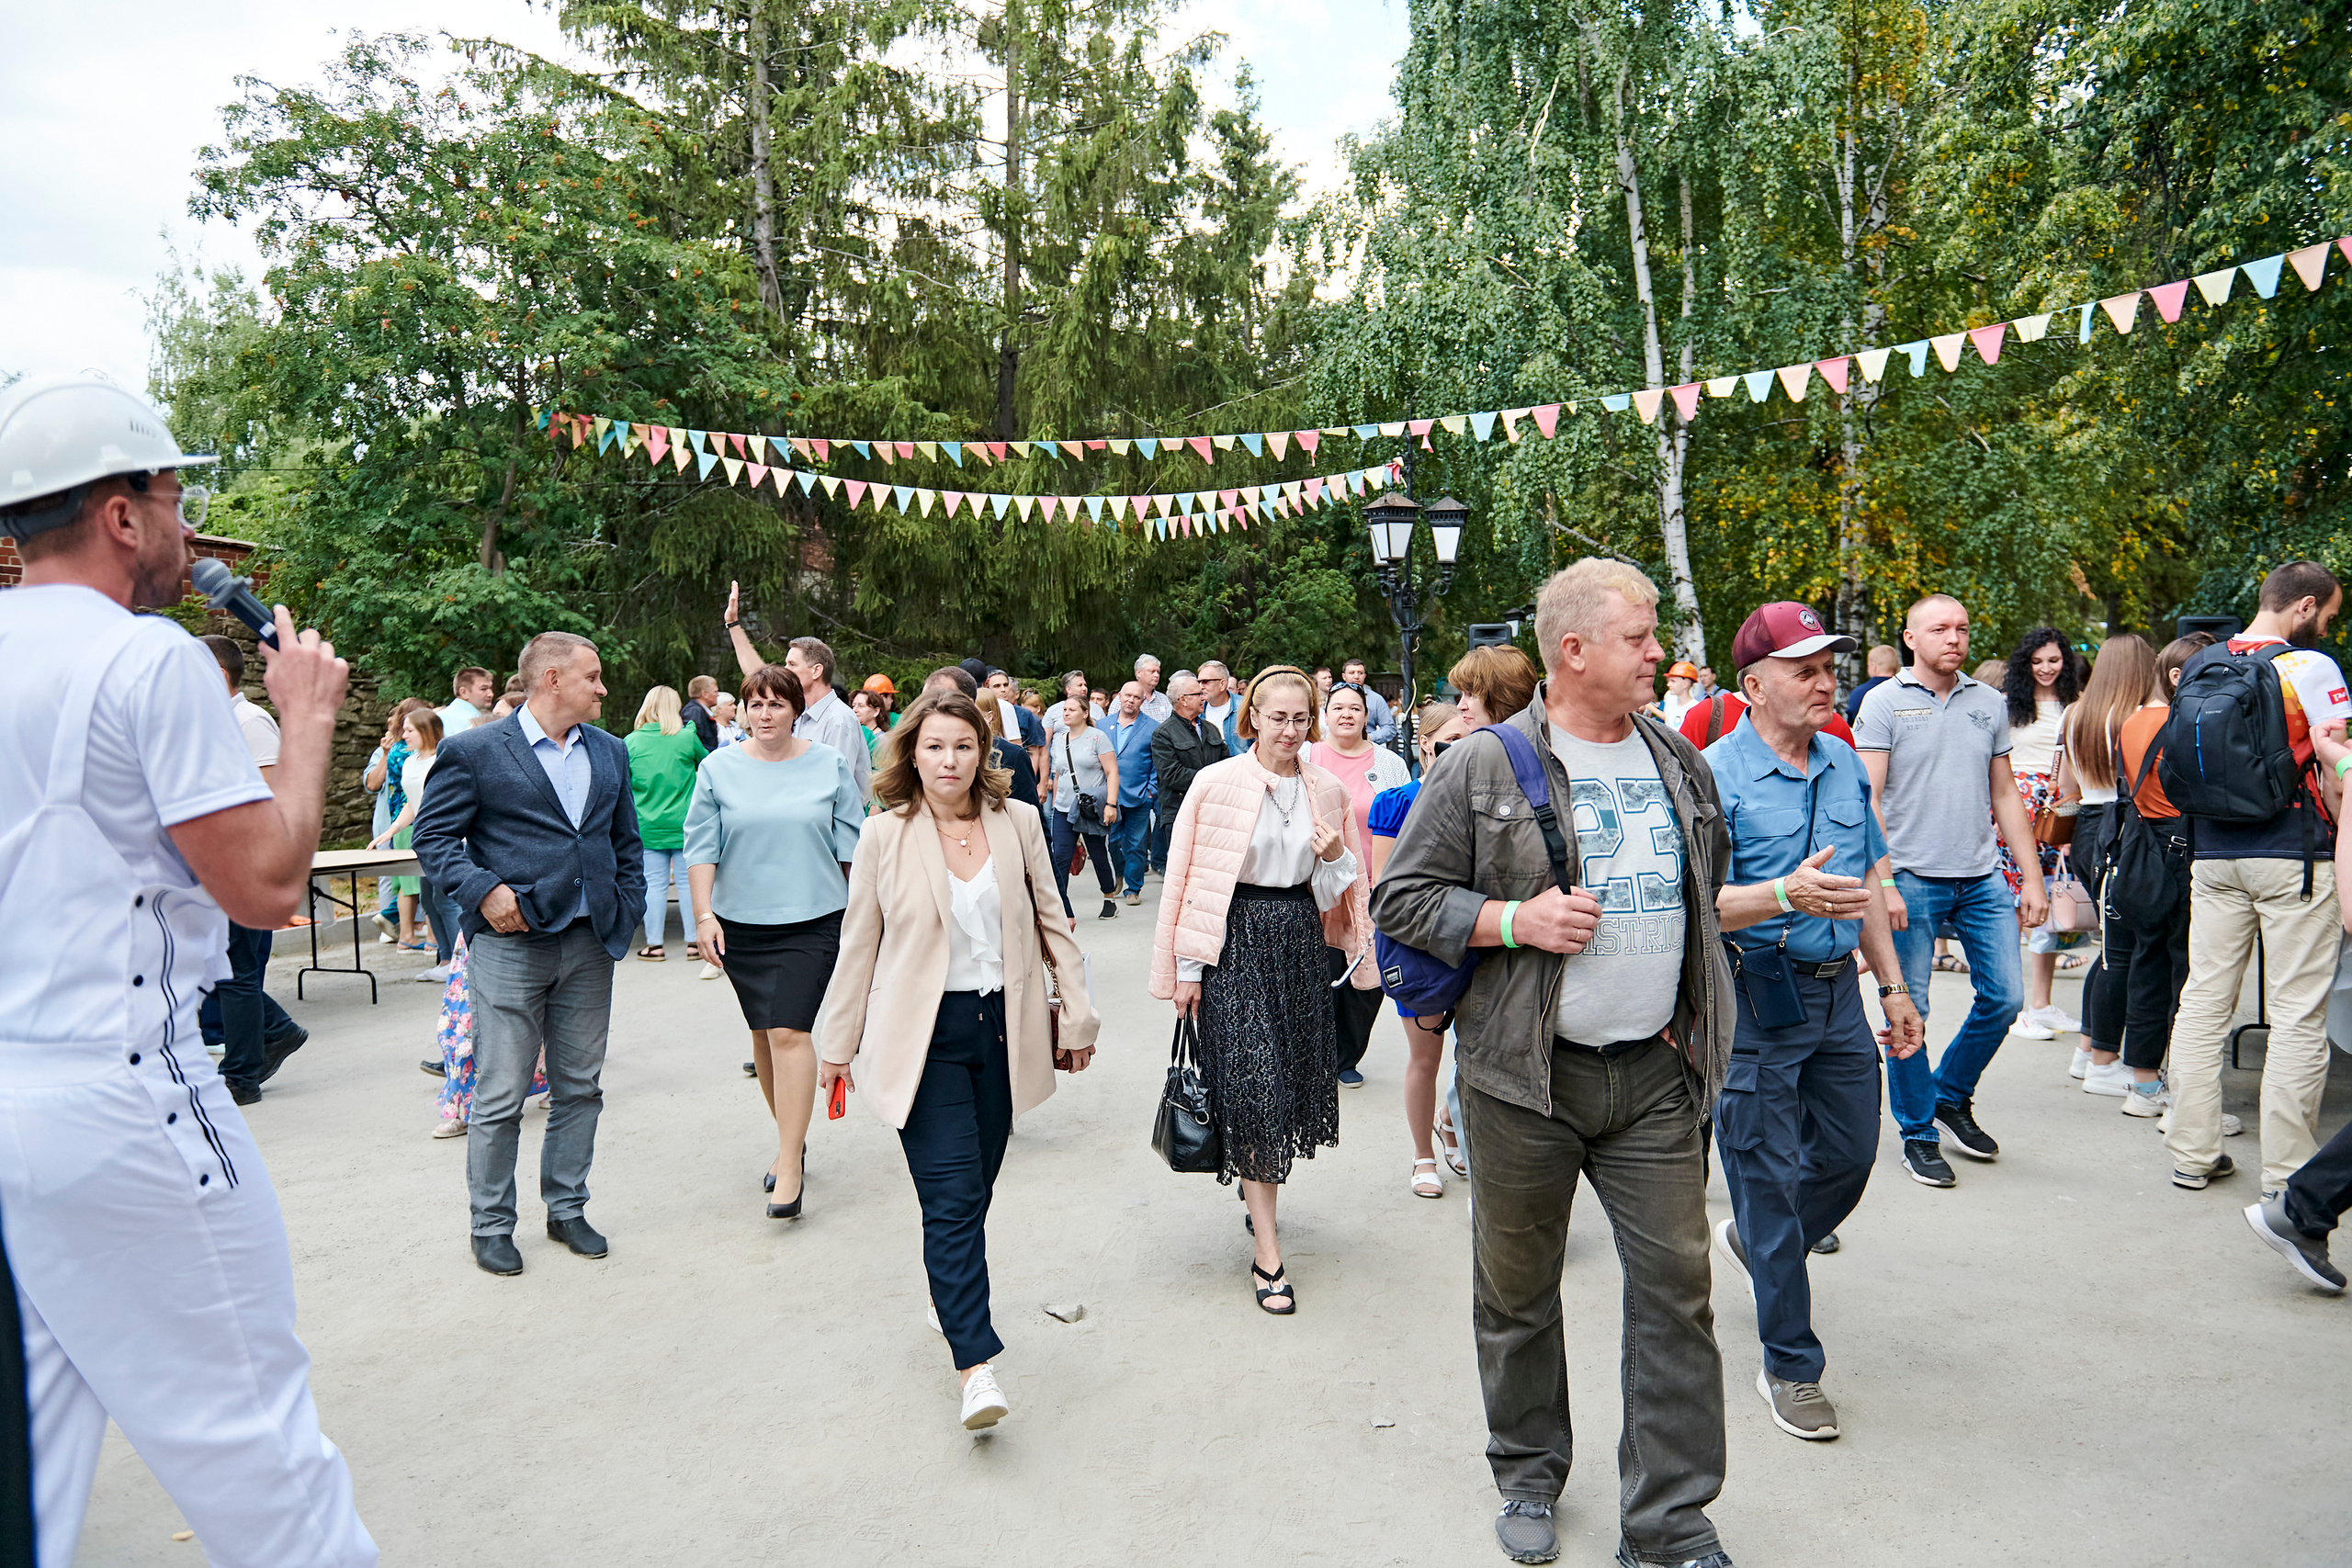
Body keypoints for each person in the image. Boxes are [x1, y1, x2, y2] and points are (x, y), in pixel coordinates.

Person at [0, 373, 376, 1564]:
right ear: (119, 513)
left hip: (14, 1090)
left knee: (43, 1464)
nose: (183, 525)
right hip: (128, 1091)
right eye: (171, 495)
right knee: (262, 1453)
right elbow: (265, 884)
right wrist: (305, 718)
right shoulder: (148, 660)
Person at [1370, 558, 1736, 1568]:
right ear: (1571, 652)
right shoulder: (1481, 765)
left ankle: (1668, 1524)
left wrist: (1784, 903)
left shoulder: (1677, 761)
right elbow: (1399, 901)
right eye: (1639, 636)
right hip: (1522, 1082)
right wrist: (1509, 919)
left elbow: (1703, 904)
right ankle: (1528, 1470)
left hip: (1655, 1078)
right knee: (1518, 1291)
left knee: (1676, 1291)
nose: (1659, 652)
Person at [818, 690, 1101, 1430]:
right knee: (949, 1201)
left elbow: (1054, 924)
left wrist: (1077, 1014)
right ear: (913, 751)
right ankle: (976, 1365)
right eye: (935, 746)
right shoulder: (886, 834)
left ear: (986, 752)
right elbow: (858, 946)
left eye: (964, 746)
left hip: (1001, 1029)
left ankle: (954, 1306)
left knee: (972, 1194)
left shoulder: (1020, 823)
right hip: (923, 1039)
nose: (950, 760)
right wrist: (835, 1045)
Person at [1702, 603, 1926, 1444]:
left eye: (1828, 664)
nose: (1825, 680)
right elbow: (1697, 907)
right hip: (1752, 995)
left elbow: (1863, 877)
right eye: (1803, 668)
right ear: (1753, 685)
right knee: (1764, 1177)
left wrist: (1895, 989)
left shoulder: (1839, 761)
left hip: (1836, 997)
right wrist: (1779, 895)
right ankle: (1790, 1365)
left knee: (1850, 1155)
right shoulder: (1712, 773)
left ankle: (1759, 1240)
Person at [413, 630, 647, 1277]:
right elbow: (434, 839)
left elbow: (624, 841)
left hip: (588, 943)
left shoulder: (611, 750)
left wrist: (625, 908)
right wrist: (484, 889)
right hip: (511, 947)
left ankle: (567, 1206)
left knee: (580, 1086)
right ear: (551, 679)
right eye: (592, 675)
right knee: (501, 1091)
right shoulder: (476, 751)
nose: (602, 687)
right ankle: (490, 1223)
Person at [1151, 666, 1377, 1318]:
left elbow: (1340, 891)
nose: (1290, 729)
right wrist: (1187, 971)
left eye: (1301, 718)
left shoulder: (1326, 788)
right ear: (1252, 717)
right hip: (1234, 945)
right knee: (1255, 1084)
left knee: (1285, 1085)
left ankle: (1257, 1195)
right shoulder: (1215, 783)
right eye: (1277, 717)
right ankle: (1269, 1254)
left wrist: (1336, 855)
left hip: (1298, 942)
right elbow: (1192, 880)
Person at [2163, 561, 2352, 1194]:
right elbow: (2334, 769)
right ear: (2302, 607)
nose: (2327, 628)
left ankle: (2191, 1151)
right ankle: (2287, 1173)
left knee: (2203, 1003)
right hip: (2293, 854)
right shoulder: (2312, 668)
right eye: (2327, 616)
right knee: (2298, 1014)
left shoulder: (2199, 663)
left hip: (2213, 851)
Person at [1855, 594, 2048, 1187]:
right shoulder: (1883, 703)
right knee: (1909, 1010)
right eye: (1939, 628)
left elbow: (2006, 795)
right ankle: (1918, 1131)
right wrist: (1883, 882)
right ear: (1911, 639)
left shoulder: (1988, 703)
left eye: (1962, 628)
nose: (1954, 638)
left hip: (1981, 874)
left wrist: (2032, 875)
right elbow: (1867, 801)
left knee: (2006, 1000)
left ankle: (1950, 1095)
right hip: (1909, 876)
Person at [685, 663, 864, 1217]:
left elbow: (852, 845)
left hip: (814, 919)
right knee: (763, 1035)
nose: (765, 715)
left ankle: (789, 1166)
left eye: (777, 705)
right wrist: (704, 917)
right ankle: (792, 1135)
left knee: (789, 1030)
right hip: (741, 923)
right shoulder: (718, 767)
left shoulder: (829, 764)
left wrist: (864, 923)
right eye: (754, 705)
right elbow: (701, 846)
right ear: (741, 710)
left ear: (795, 711)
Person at [2098, 634, 2211, 1119]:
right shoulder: (2186, 724)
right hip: (2185, 846)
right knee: (2188, 969)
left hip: (2143, 846)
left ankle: (2142, 1083)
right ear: (2177, 677)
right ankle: (2183, 1093)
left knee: (2147, 962)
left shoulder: (2131, 723)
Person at [193, 634, 309, 1094]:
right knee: (210, 963)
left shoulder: (250, 721)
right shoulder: (212, 723)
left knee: (236, 968)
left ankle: (242, 1077)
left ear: (218, 676)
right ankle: (277, 1030)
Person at [1366, 702, 1470, 1194]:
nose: (1457, 751)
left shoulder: (1482, 798)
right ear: (1424, 743)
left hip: (1479, 939)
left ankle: (1450, 1118)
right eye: (1448, 741)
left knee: (1475, 1057)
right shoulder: (1396, 802)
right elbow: (1384, 889)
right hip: (1417, 946)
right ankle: (1422, 1155)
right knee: (1424, 1058)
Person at [2054, 634, 2158, 1093]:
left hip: (2086, 829)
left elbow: (2065, 787)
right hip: (2123, 827)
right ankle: (2103, 1060)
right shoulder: (2134, 717)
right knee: (2125, 952)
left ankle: (2087, 1049)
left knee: (2111, 947)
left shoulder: (2074, 713)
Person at [1307, 681, 1408, 1088]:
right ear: (1325, 714)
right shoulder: (1305, 755)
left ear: (1367, 716)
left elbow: (1406, 821)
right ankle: (1315, 1054)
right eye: (1338, 707)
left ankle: (1347, 1054)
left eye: (1355, 708)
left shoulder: (1388, 764)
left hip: (1372, 883)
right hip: (1315, 883)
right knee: (1320, 969)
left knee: (1368, 974)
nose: (1346, 714)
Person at [1998, 628, 2086, 1040]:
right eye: (2038, 662)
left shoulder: (2077, 704)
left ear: (2066, 661)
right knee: (2018, 908)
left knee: (2052, 905)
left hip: (2060, 810)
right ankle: (2013, 1007)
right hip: (2016, 811)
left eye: (2053, 660)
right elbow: (1994, 766)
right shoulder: (2008, 706)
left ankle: (2042, 1003)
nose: (2046, 668)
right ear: (2025, 666)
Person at [724, 582, 871, 799]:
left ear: (816, 671)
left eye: (792, 664)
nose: (785, 670)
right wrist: (733, 624)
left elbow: (836, 789)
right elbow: (758, 674)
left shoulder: (838, 720)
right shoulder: (801, 712)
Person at [370, 707, 463, 984]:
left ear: (426, 731)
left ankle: (461, 963)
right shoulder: (410, 761)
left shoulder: (445, 759)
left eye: (409, 730)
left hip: (447, 838)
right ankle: (445, 960)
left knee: (445, 900)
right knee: (428, 899)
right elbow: (412, 802)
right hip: (421, 839)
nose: (404, 734)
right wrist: (392, 830)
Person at [625, 684, 709, 960]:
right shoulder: (686, 738)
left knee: (654, 885)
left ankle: (654, 944)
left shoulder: (631, 742)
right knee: (688, 884)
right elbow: (709, 766)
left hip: (647, 826)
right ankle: (695, 943)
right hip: (685, 824)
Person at [1046, 694, 1121, 919]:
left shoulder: (1097, 737)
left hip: (1090, 808)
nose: (1065, 713)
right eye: (1064, 709)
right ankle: (1061, 906)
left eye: (1071, 709)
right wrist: (1057, 800)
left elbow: (1112, 772)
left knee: (1098, 854)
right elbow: (1060, 773)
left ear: (1085, 713)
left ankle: (1109, 897)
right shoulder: (1060, 740)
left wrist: (1111, 804)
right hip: (1063, 808)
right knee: (1060, 857)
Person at [927, 666, 1039, 807]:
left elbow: (1032, 824)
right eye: (934, 748)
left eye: (943, 701)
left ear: (969, 704)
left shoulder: (1010, 757)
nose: (933, 709)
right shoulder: (912, 752)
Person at [1150, 671, 1228, 871]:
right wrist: (1211, 779)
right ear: (1183, 700)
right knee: (1184, 871)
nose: (1203, 698)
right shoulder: (1163, 734)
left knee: (1212, 869)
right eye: (1198, 694)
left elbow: (1226, 763)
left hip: (1212, 812)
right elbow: (1171, 774)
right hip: (1179, 812)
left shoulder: (1211, 729)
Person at [1105, 681, 1159, 904]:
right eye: (1127, 695)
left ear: (1143, 701)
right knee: (1113, 842)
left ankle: (1133, 889)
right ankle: (1119, 873)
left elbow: (1158, 762)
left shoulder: (1153, 727)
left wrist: (1151, 791)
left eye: (1137, 697)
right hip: (1110, 797)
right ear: (1119, 696)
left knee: (1136, 845)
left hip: (1139, 796)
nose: (1131, 700)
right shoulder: (1102, 725)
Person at [1340, 658, 1398, 746]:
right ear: (1344, 676)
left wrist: (1369, 738)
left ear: (1365, 676)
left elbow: (1389, 728)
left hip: (1366, 749)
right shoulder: (1335, 698)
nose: (1356, 676)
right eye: (1351, 673)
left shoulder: (1376, 699)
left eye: (1360, 673)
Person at [1843, 644, 1899, 723]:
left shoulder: (1859, 693)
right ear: (1897, 667)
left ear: (1873, 666)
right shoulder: (1905, 691)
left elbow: (1852, 724)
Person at [1198, 660, 1241, 749]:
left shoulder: (1244, 707)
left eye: (1205, 681)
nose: (1201, 687)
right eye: (1199, 682)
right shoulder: (1197, 710)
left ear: (1222, 684)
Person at [441, 665, 493, 732]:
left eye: (491, 688)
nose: (491, 694)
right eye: (483, 689)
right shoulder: (476, 721)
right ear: (464, 692)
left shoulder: (439, 716)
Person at [680, 673, 723, 752]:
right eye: (715, 692)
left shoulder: (700, 711)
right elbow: (694, 743)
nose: (718, 695)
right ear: (705, 694)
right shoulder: (694, 712)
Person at [1656, 659, 1702, 728]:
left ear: (1685, 684)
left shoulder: (1696, 709)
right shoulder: (1671, 709)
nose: (1668, 684)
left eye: (1673, 681)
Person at [851, 688, 891, 766]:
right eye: (853, 705)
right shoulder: (853, 734)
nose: (855, 710)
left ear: (876, 711)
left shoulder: (884, 739)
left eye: (861, 706)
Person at [1134, 654, 1173, 723]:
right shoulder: (1124, 699)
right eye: (1152, 671)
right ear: (1138, 673)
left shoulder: (1165, 700)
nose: (1156, 675)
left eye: (1158, 672)